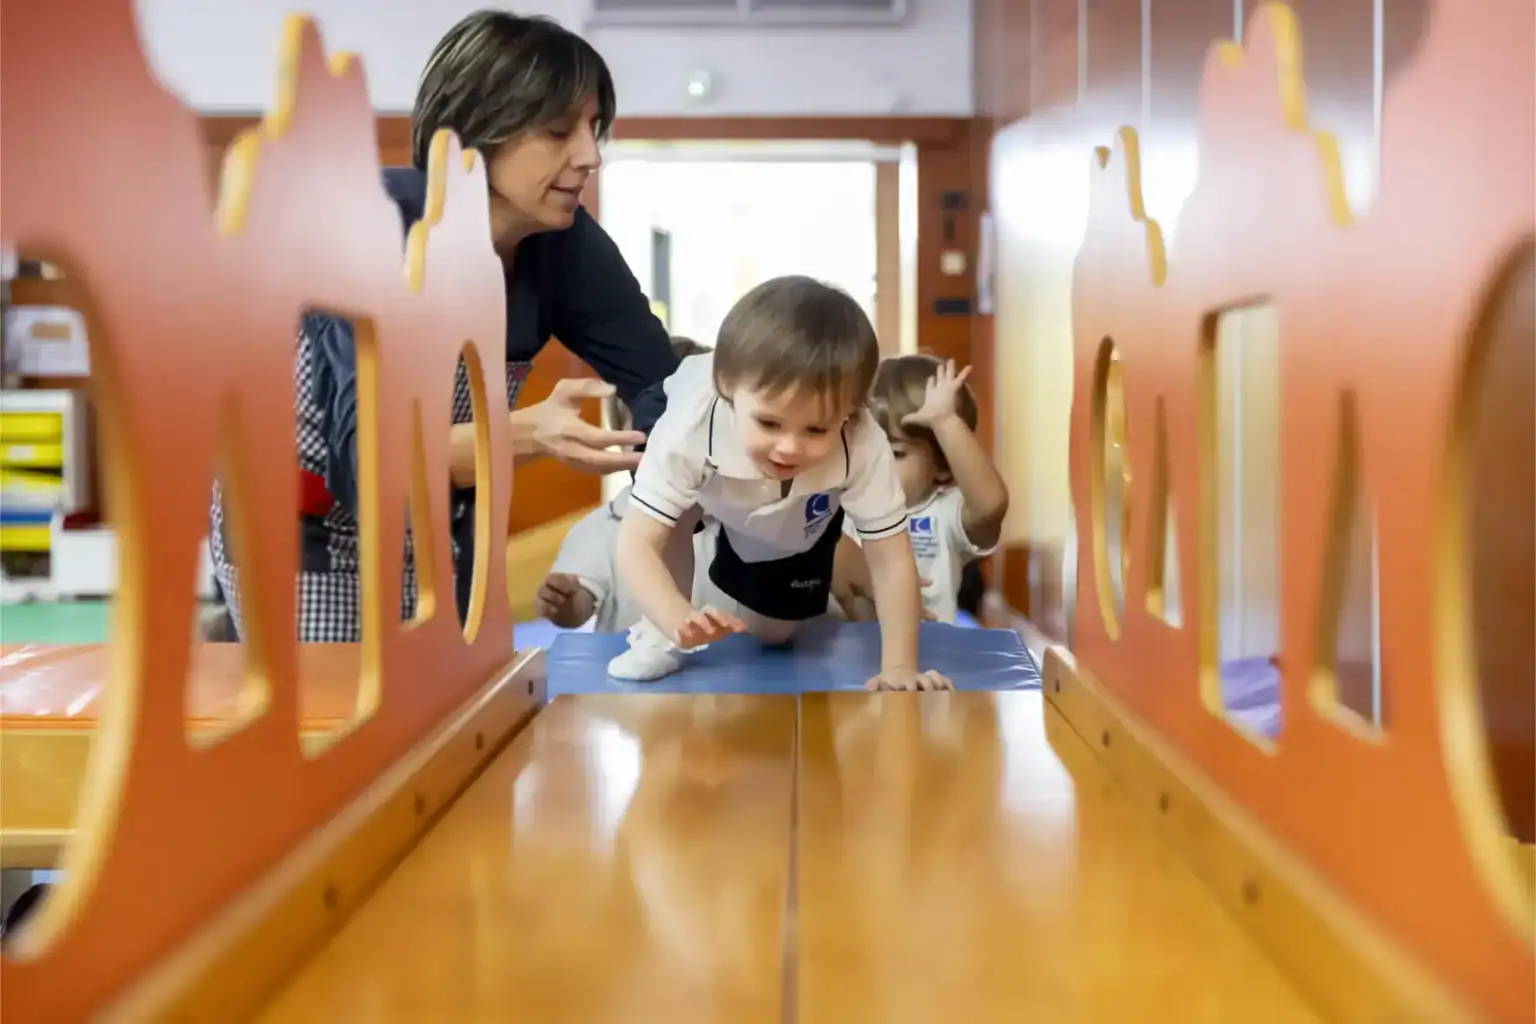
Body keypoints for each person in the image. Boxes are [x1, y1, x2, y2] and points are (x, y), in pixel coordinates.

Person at [208, 11, 683, 641]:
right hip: (304, 525)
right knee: (345, 700)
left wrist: (662, 516)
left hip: (442, 518)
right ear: (473, 132)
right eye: (557, 131)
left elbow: (667, 392)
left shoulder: (568, 249)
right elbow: (367, 464)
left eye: (594, 129)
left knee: (454, 694)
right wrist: (523, 434)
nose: (590, 155)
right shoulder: (363, 226)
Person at [611, 276, 952, 691]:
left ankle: (817, 541)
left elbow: (891, 557)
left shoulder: (863, 443)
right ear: (727, 388)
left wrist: (899, 668)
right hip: (699, 459)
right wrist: (673, 618)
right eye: (769, 423)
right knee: (678, 511)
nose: (789, 447)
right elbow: (638, 541)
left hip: (788, 496)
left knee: (775, 633)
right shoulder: (689, 427)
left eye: (816, 429)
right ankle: (656, 638)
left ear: (853, 412)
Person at [537, 337, 714, 633]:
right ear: (619, 433)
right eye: (652, 425)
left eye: (695, 427)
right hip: (633, 663)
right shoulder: (604, 528)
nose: (674, 446)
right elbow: (578, 607)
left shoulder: (748, 521)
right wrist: (564, 602)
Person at [832, 355, 1009, 624]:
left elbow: (990, 507)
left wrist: (946, 422)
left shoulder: (943, 513)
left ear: (942, 466)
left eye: (895, 453)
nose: (872, 465)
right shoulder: (835, 506)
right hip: (838, 648)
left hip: (924, 648)